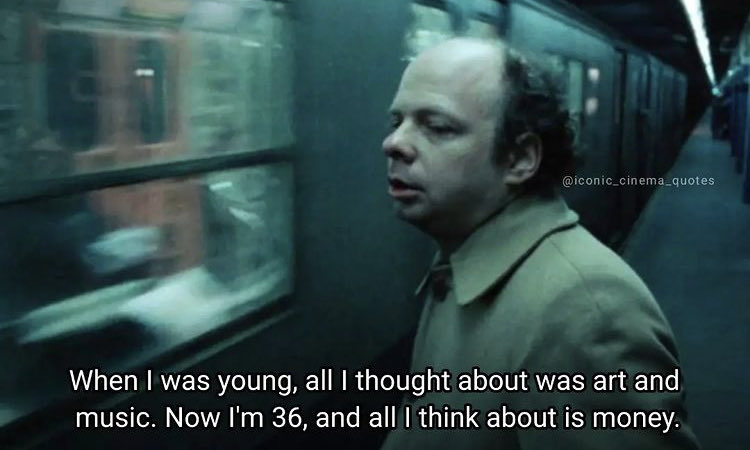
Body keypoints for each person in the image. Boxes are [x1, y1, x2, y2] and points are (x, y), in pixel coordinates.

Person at [379, 38, 700, 449]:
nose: (394, 143)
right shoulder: (459, 265)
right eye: (397, 122)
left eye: (437, 127)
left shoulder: (587, 312)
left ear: (519, 159)